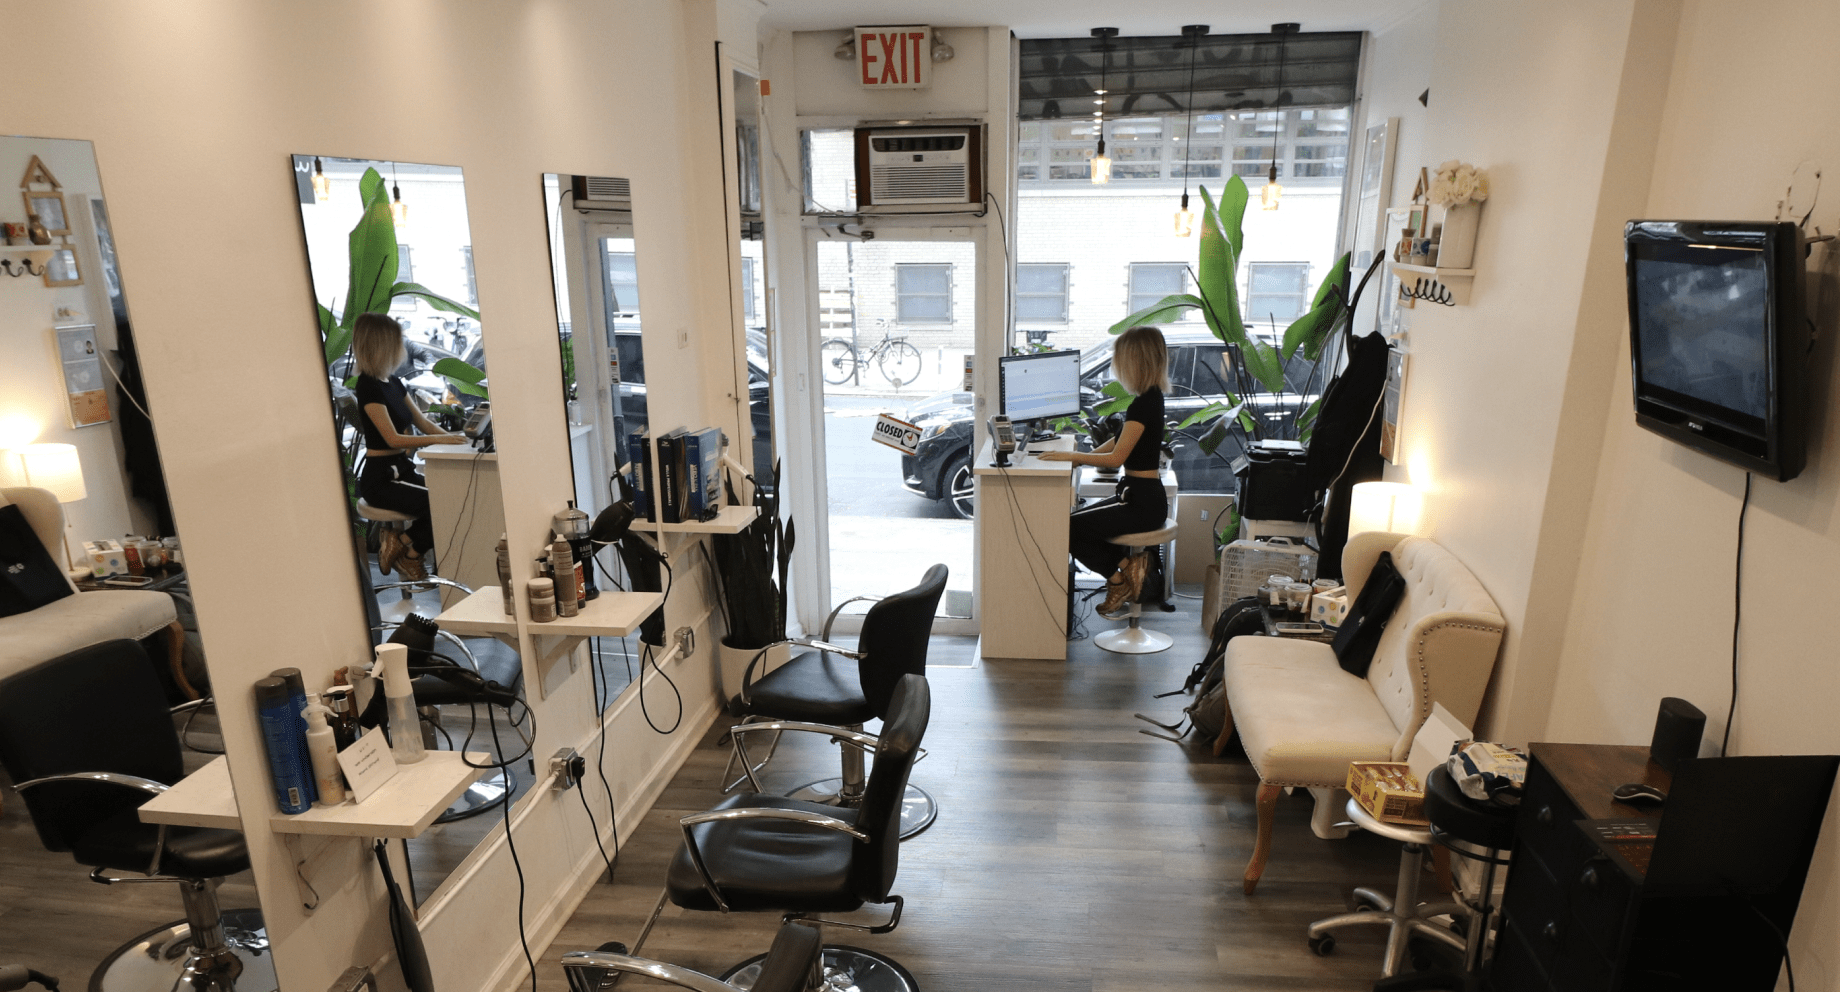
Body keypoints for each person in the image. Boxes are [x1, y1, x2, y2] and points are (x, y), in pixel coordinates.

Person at [1038, 325, 1170, 616]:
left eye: (1120, 360)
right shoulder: (1151, 397)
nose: (1116, 367)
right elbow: (1119, 440)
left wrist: (1073, 456)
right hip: (1142, 497)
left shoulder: (1142, 404)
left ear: (1136, 361)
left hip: (1142, 503)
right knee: (1074, 522)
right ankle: (1125, 570)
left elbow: (1116, 457)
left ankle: (1120, 576)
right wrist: (1078, 459)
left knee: (1069, 529)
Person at [351, 312, 465, 581]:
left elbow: (424, 424)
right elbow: (392, 439)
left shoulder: (392, 382)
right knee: (440, 503)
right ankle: (409, 552)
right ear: (382, 344)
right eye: (396, 340)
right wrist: (442, 440)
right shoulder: (368, 386)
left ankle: (400, 543)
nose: (401, 347)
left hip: (402, 470)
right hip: (382, 478)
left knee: (451, 497)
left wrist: (460, 441)